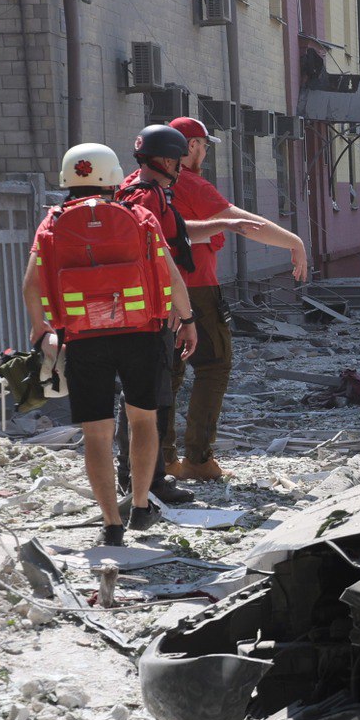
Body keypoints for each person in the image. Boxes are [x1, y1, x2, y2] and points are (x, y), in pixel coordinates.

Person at [22, 144, 198, 546]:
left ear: (68, 179)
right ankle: (139, 506)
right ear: (114, 178)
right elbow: (170, 275)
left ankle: (110, 524)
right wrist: (187, 321)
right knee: (142, 420)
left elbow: (31, 283)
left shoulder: (52, 222)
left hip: (83, 339)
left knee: (97, 433)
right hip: (142, 334)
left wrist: (39, 330)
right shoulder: (139, 216)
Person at [157, 116, 308, 482]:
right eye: (204, 145)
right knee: (213, 364)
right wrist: (295, 242)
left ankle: (161, 460)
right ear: (191, 146)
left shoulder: (139, 185)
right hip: (195, 289)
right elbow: (242, 222)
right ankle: (198, 459)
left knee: (166, 374)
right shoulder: (190, 183)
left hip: (155, 292)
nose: (206, 153)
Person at [113, 123, 213, 504]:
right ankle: (146, 482)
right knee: (149, 399)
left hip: (142, 307)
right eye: (179, 158)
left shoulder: (132, 191)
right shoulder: (149, 198)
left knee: (146, 397)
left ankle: (143, 478)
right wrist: (182, 313)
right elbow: (160, 257)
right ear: (169, 159)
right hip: (153, 310)